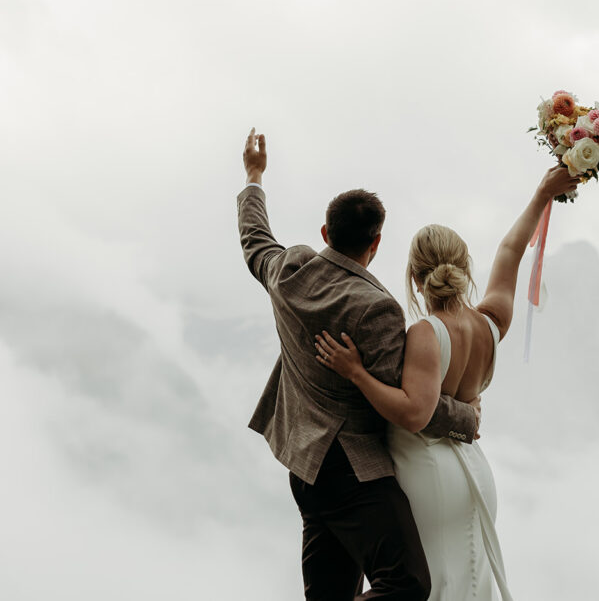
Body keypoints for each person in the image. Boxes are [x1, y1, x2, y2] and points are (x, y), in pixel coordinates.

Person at [237, 128, 481, 600]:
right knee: (406, 586)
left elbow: (254, 238)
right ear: (377, 242)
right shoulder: (377, 308)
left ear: (326, 232)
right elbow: (412, 404)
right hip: (354, 473)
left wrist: (254, 175)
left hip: (304, 470)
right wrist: (466, 417)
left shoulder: (289, 271)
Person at [315, 165, 579, 600]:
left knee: (428, 586)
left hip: (428, 475)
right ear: (464, 266)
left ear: (416, 276)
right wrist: (542, 193)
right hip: (474, 472)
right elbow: (512, 250)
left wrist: (356, 373)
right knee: (468, 584)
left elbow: (416, 414)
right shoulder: (491, 323)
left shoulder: (424, 333)